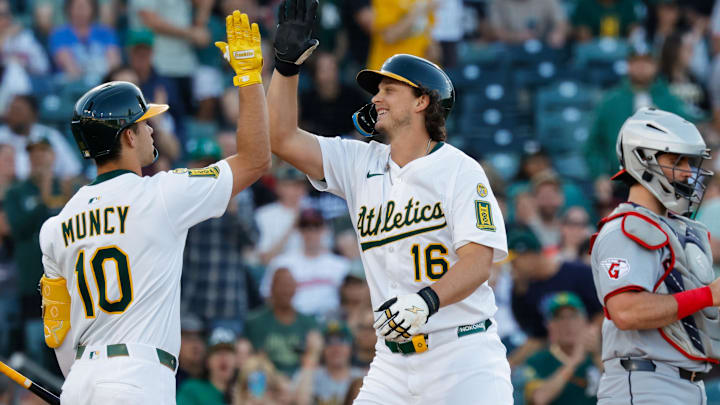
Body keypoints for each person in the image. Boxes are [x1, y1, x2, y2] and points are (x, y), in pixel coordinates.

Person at [267, 0, 512, 402]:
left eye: (389, 89)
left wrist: (426, 300)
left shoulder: (460, 170)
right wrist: (286, 67)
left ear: (422, 102)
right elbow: (283, 139)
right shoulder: (359, 161)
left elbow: (478, 263)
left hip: (462, 355)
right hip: (391, 363)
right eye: (377, 90)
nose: (377, 98)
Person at [37, 10, 269, 404]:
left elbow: (57, 335)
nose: (151, 129)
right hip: (138, 377)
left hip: (80, 381)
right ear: (128, 136)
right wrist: (248, 78)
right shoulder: (162, 194)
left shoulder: (55, 226)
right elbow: (255, 160)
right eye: (144, 123)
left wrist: (81, 386)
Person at [590, 107, 720, 404]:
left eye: (689, 161)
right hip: (646, 384)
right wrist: (708, 296)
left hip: (686, 384)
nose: (688, 172)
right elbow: (626, 311)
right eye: (677, 161)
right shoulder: (626, 228)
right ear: (643, 160)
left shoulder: (680, 229)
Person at [523, 291, 601, 405]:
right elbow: (538, 399)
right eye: (559, 318)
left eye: (573, 316)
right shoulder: (536, 361)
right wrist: (573, 362)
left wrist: (598, 356)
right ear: (550, 326)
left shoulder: (600, 354)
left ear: (585, 322)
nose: (567, 323)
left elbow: (621, 391)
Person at [245, 268, 321, 377]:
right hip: (268, 381)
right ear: (271, 289)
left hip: (301, 381)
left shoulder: (309, 323)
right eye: (281, 285)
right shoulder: (255, 322)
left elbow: (313, 359)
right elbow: (257, 359)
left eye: (289, 285)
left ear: (295, 288)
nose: (285, 290)